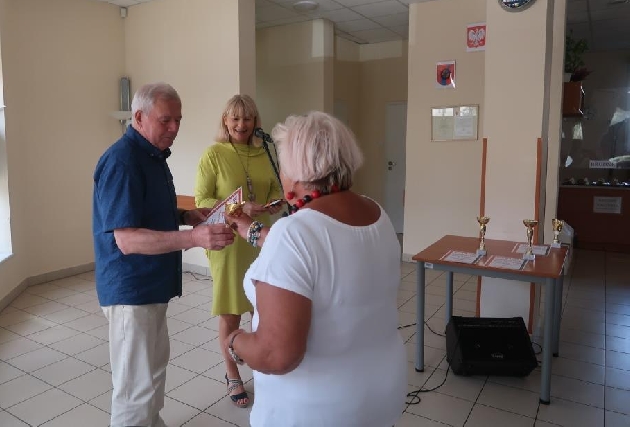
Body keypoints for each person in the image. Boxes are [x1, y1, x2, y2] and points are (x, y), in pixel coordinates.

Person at [223, 111, 407, 426]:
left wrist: (234, 342)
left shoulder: (293, 234)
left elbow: (276, 356)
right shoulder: (377, 213)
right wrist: (254, 231)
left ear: (295, 173)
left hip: (316, 410)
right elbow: (322, 253)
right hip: (381, 393)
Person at [93, 82, 235, 427]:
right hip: (131, 291)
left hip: (152, 286)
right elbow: (127, 240)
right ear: (139, 117)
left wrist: (187, 216)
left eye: (178, 120)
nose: (174, 128)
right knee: (134, 390)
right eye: (166, 120)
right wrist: (194, 238)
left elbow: (149, 211)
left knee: (154, 372)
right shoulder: (123, 162)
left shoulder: (153, 156)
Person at [194, 94, 283, 408]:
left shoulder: (264, 153)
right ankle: (232, 374)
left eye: (247, 119)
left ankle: (262, 366)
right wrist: (240, 207)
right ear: (225, 121)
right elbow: (202, 201)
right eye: (235, 118)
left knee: (263, 310)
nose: (241, 125)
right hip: (229, 243)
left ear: (255, 122)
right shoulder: (214, 154)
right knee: (231, 312)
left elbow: (277, 189)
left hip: (261, 241)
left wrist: (274, 203)